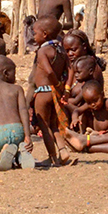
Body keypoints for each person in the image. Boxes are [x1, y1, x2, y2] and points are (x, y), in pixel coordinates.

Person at [0, 56, 35, 170]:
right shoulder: (17, 89)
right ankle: (21, 156)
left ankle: (1, 156)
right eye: (13, 73)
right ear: (6, 73)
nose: (15, 77)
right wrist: (27, 135)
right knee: (16, 148)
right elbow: (23, 111)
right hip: (17, 130)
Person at [30, 15, 71, 163]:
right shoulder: (60, 50)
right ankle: (63, 151)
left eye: (35, 33)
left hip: (43, 92)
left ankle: (52, 157)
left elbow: (48, 71)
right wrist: (65, 89)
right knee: (54, 125)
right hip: (55, 92)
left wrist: (58, 85)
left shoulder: (42, 51)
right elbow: (70, 70)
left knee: (44, 125)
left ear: (45, 34)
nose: (33, 36)